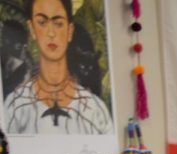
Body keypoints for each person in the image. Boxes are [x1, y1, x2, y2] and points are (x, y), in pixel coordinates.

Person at [3, 0, 114, 135]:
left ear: (70, 30)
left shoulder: (96, 110)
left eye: (58, 23)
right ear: (32, 29)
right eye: (42, 23)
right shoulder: (14, 107)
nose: (51, 33)